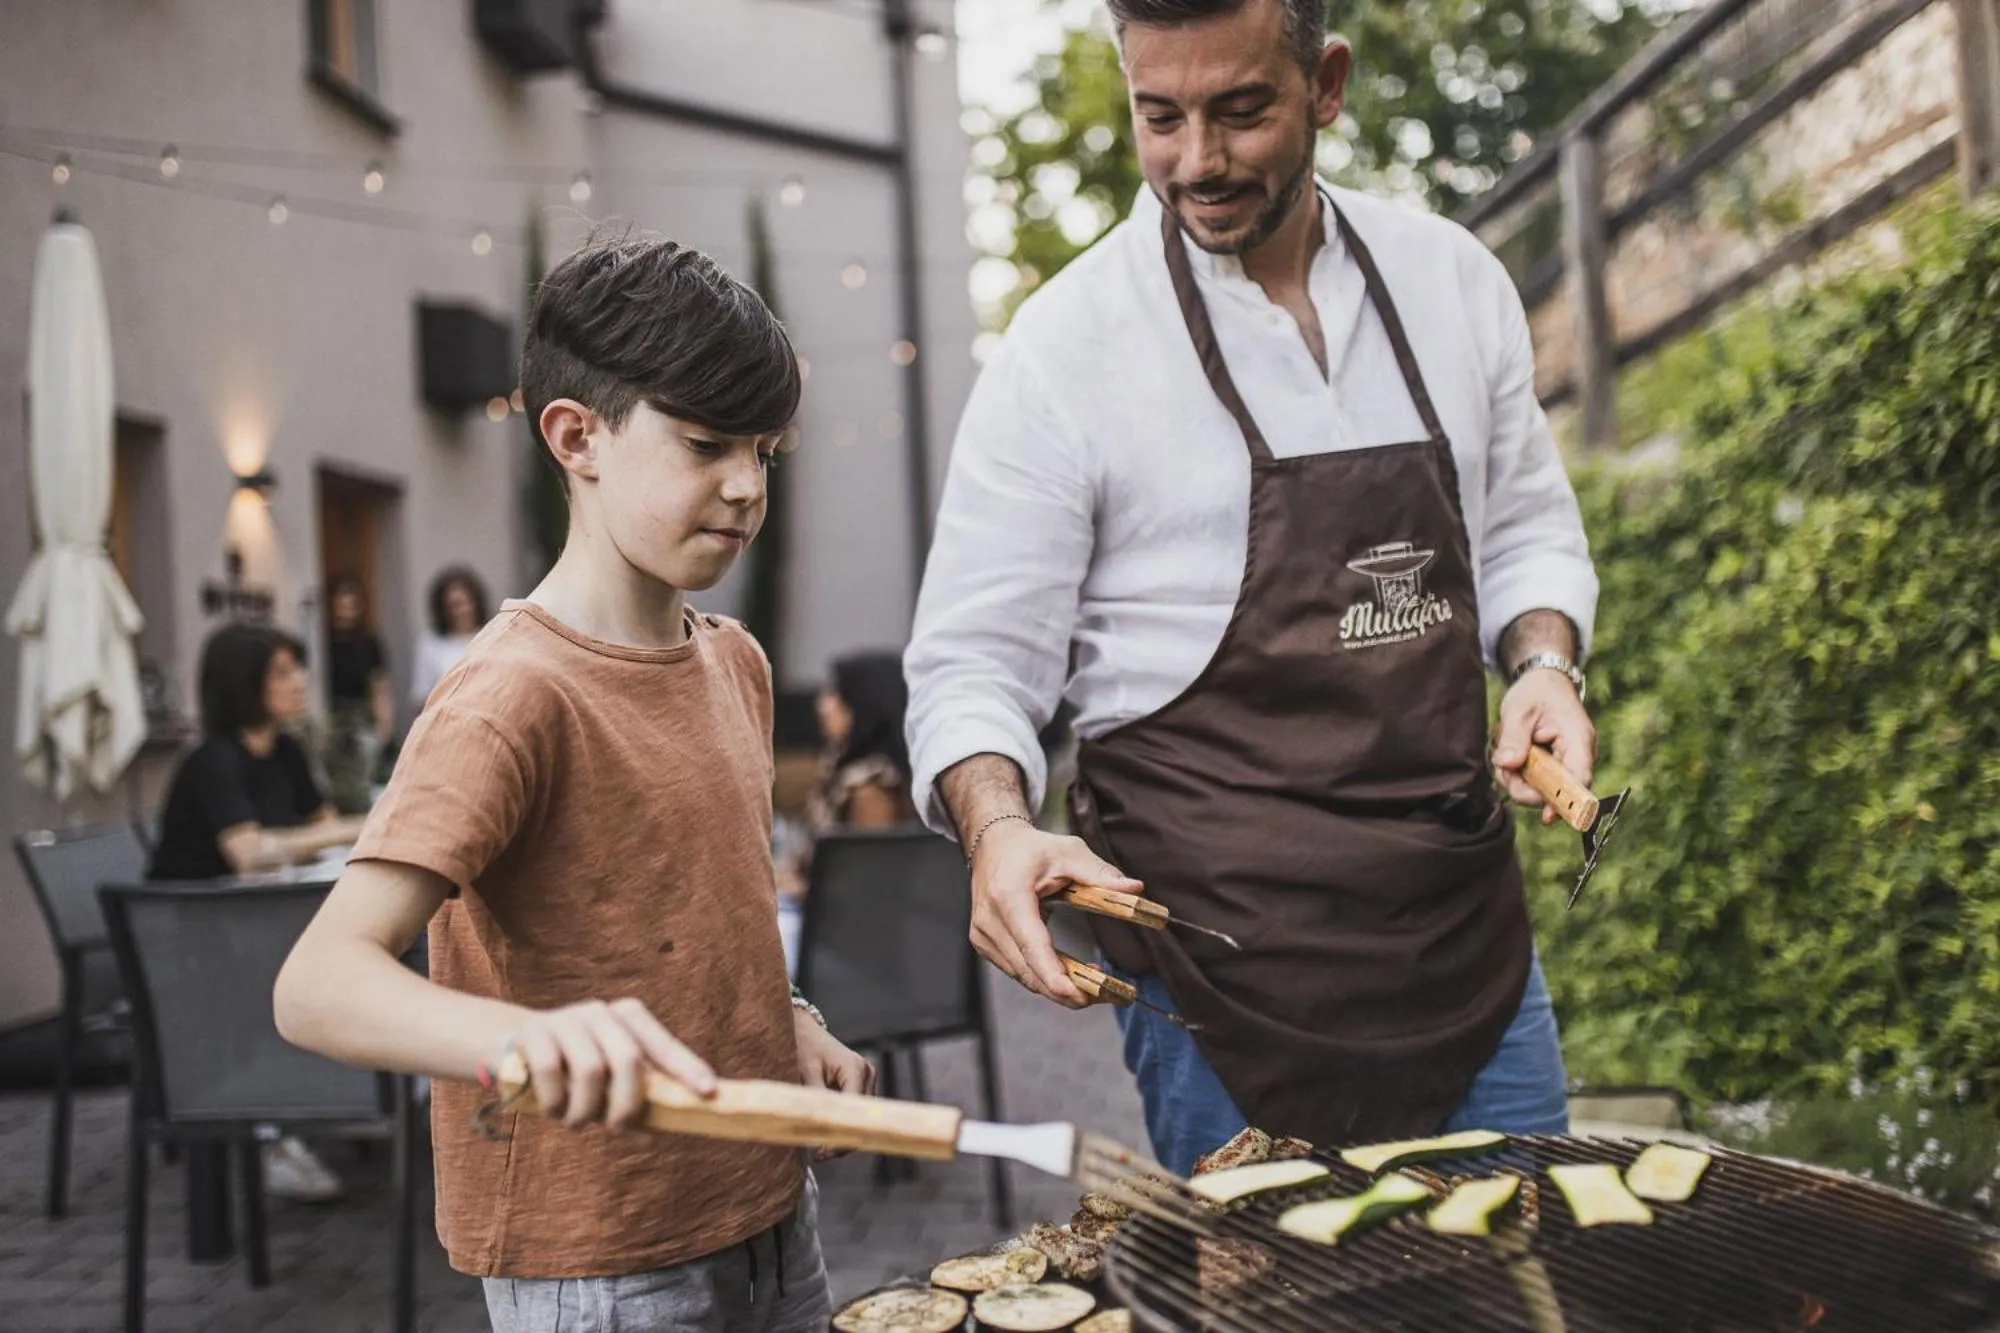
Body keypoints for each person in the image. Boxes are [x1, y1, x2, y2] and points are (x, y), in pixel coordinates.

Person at [904, 0, 1601, 1177]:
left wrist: (1541, 664)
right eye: (1156, 117)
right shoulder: (1063, 349)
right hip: (1219, 978)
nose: (1196, 162)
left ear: (1323, 84)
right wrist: (998, 828)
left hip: (1458, 932)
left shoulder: (1451, 283)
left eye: (1238, 112)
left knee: (1527, 1278)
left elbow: (1526, 527)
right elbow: (970, 665)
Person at [274, 233, 871, 1333]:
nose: (744, 485)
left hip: (772, 1206)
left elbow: (707, 913)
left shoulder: (733, 660)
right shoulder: (508, 697)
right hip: (603, 1261)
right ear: (575, 435)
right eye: (704, 443)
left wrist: (788, 1015)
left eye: (763, 450)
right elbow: (317, 985)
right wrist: (516, 1040)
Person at [149, 622, 365, 1202]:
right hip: (192, 949)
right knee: (313, 971)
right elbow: (248, 852)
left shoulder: (285, 750)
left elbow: (321, 830)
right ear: (243, 684)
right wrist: (358, 823)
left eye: (297, 668)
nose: (299, 682)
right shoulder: (213, 760)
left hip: (259, 930)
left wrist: (335, 832)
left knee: (354, 951)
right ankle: (274, 1130)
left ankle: (338, 1090)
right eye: (282, 671)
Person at [773, 651, 917, 970]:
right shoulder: (841, 768)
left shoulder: (873, 784)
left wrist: (796, 888)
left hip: (842, 948)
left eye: (834, 695)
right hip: (816, 926)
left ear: (862, 705)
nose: (822, 705)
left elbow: (867, 887)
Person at [321, 574, 392, 813]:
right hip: (332, 716)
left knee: (364, 772)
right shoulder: (323, 641)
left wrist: (384, 722)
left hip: (361, 714)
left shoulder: (368, 641)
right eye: (341, 605)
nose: (346, 611)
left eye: (351, 605)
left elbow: (379, 683)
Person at [410, 566, 491, 712]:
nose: (457, 612)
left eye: (461, 604)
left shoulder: (492, 635)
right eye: (450, 606)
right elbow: (421, 696)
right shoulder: (431, 643)